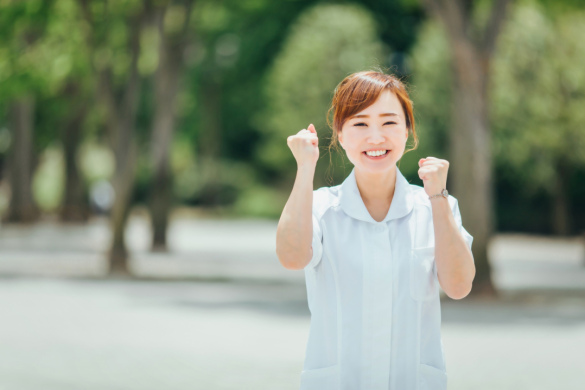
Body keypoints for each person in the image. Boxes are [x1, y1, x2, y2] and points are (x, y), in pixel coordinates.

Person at [275, 70, 475, 390]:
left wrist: (437, 195)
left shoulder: (436, 208)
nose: (376, 137)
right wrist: (305, 167)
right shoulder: (320, 207)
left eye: (389, 122)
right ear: (340, 135)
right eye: (360, 124)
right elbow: (292, 257)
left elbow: (459, 286)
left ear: (408, 131)